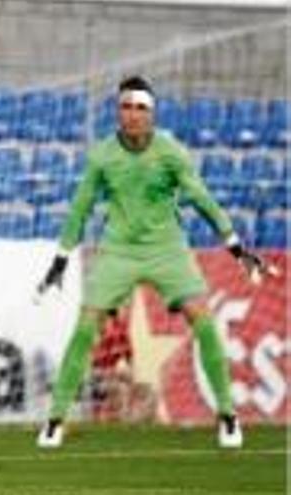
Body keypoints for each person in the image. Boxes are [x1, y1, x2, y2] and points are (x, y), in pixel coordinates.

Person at [34, 75, 275, 449]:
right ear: (118, 112)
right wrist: (61, 260)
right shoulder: (102, 154)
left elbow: (202, 199)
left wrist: (237, 248)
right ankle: (55, 420)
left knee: (204, 321)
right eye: (125, 107)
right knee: (85, 327)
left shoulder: (171, 152)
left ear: (152, 114)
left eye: (139, 108)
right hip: (118, 250)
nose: (131, 115)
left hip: (168, 249)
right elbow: (80, 208)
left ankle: (227, 415)